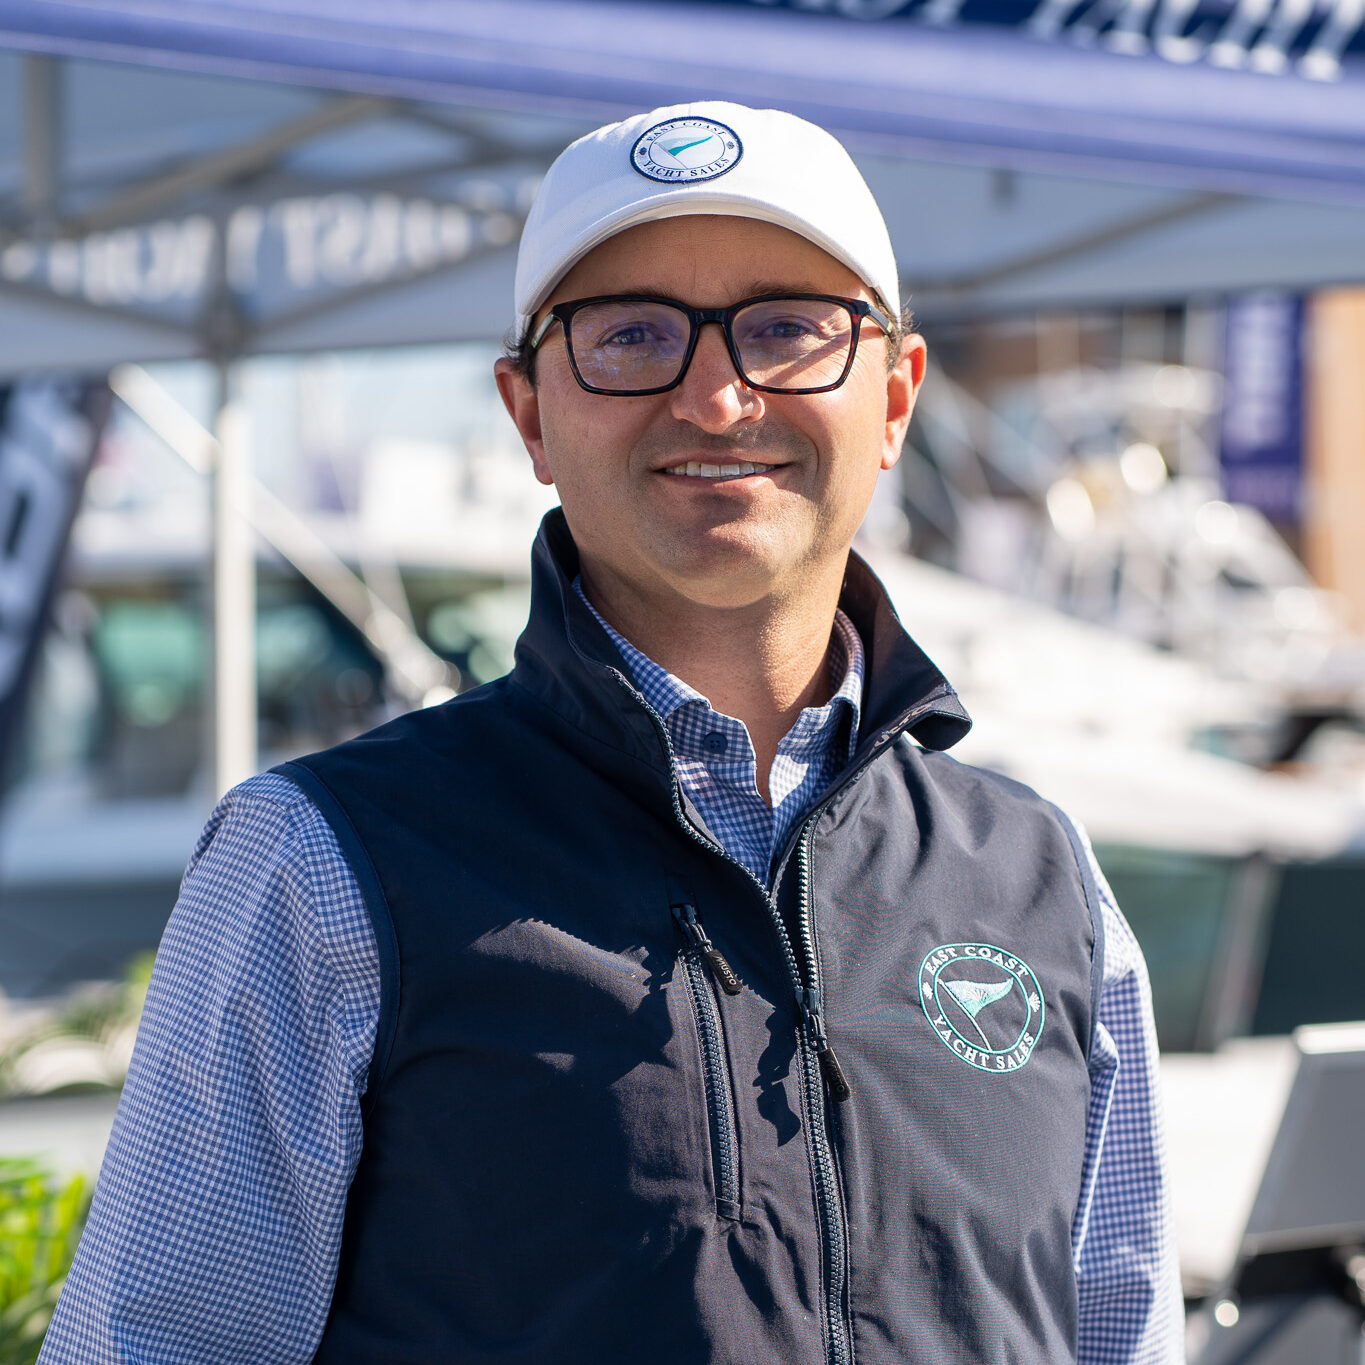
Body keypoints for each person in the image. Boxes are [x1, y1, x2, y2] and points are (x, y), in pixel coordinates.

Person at [41, 101, 1184, 1365]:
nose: (717, 394)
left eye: (789, 328)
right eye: (631, 334)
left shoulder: (1041, 879)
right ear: (529, 413)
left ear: (897, 392)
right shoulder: (323, 864)